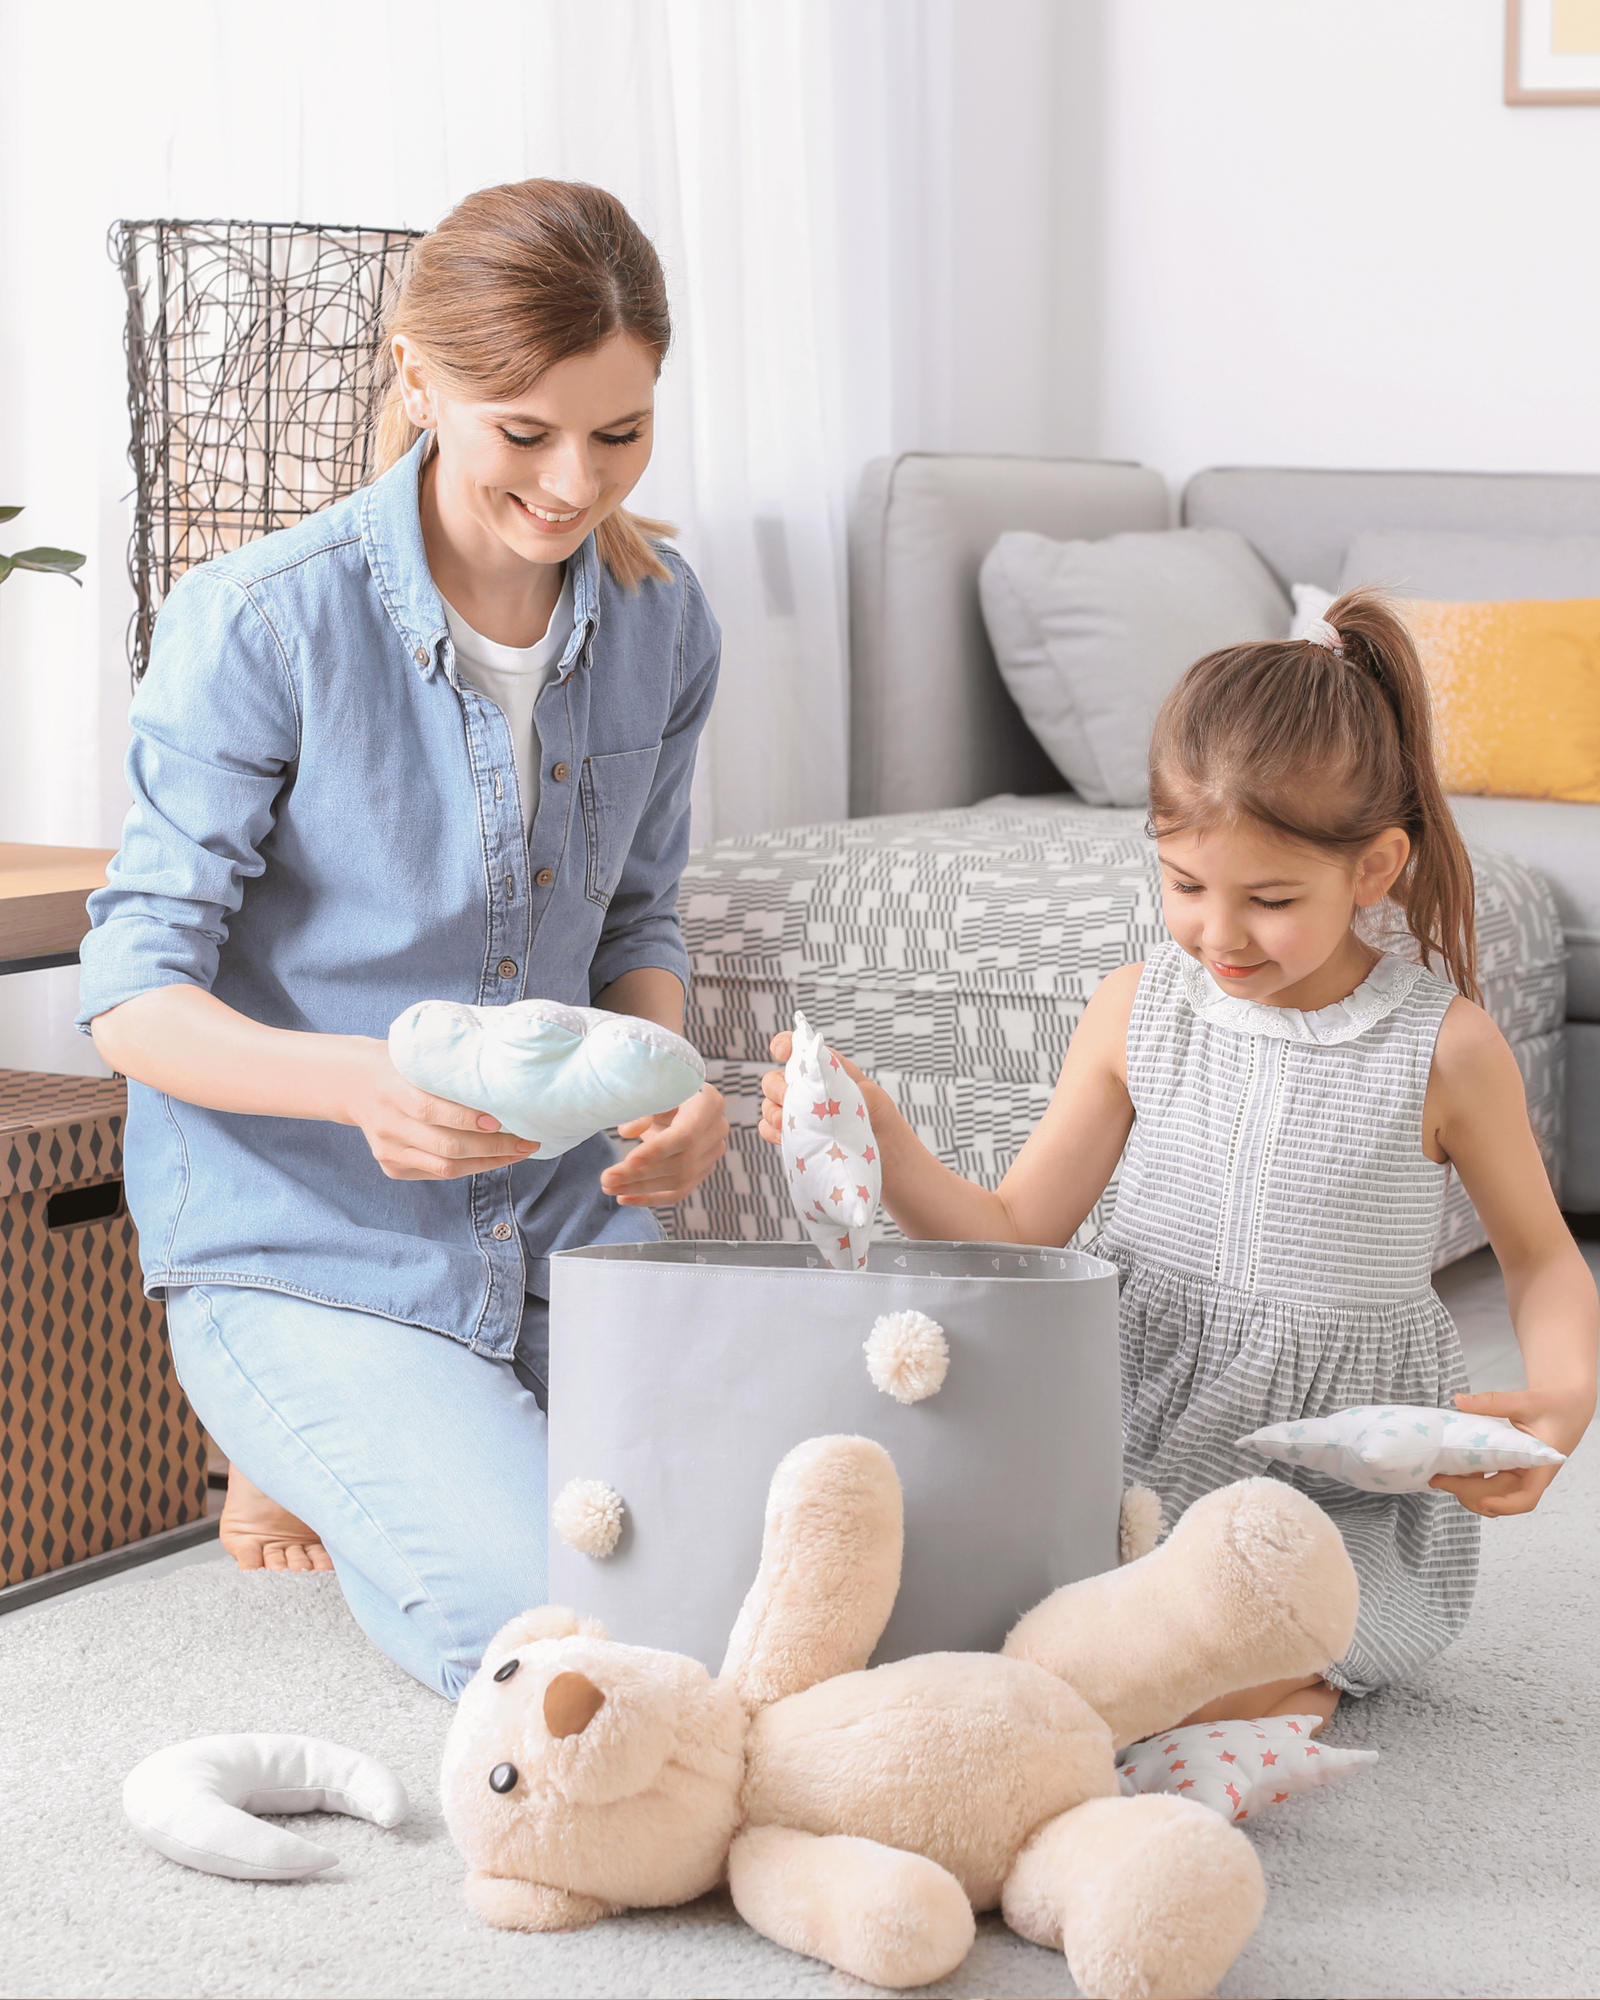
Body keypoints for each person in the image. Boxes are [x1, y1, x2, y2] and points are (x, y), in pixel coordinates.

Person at [78, 180, 729, 1699]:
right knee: (570, 1653)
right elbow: (132, 992)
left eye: (620, 433)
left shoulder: (664, 621)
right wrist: (365, 1086)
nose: (575, 484)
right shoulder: (261, 621)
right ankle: (294, 1414)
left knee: (788, 1561)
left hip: (558, 1221)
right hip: (308, 1235)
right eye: (527, 432)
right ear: (419, 382)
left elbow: (636, 919)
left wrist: (667, 1083)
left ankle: (335, 1450)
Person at [760, 591, 1597, 1728]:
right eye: (1186, 886)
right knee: (952, 1604)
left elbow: (1541, 1258)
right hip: (1121, 1423)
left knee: (1167, 1675)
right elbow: (1013, 1233)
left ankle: (1266, 1690)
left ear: (1374, 868)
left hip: (1322, 1485)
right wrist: (887, 1141)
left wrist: (1562, 1400)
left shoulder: (1441, 1047)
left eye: (1270, 899)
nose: (1219, 934)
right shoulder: (1137, 1009)